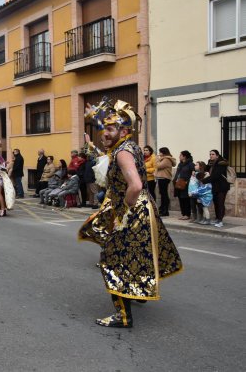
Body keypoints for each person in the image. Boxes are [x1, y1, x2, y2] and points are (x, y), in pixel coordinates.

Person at [79, 99, 182, 328]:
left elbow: (134, 186)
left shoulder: (122, 153)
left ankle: (123, 316)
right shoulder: (130, 145)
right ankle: (135, 293)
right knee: (134, 258)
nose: (103, 133)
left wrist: (123, 215)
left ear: (124, 131)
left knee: (112, 259)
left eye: (109, 129)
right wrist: (97, 119)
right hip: (144, 208)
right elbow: (109, 144)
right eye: (103, 128)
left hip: (133, 211)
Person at [202, 149, 230, 228]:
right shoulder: (211, 163)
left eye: (213, 154)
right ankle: (217, 218)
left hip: (222, 186)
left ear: (217, 155)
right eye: (210, 154)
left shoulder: (221, 163)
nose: (211, 156)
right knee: (216, 203)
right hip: (214, 186)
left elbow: (216, 175)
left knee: (220, 203)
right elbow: (205, 170)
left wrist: (203, 181)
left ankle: (220, 220)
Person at [173, 150, 194, 220]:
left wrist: (187, 182)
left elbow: (193, 174)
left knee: (186, 199)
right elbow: (178, 173)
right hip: (178, 184)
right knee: (180, 199)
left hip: (186, 185)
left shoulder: (190, 164)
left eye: (180, 155)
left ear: (184, 156)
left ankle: (187, 214)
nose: (179, 157)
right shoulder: (180, 164)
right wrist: (175, 180)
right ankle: (183, 213)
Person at [155, 147, 175, 216]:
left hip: (164, 178)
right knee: (163, 194)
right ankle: (163, 209)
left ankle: (165, 210)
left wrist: (157, 160)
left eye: (160, 152)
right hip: (162, 178)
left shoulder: (166, 159)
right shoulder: (164, 159)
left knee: (164, 194)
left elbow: (158, 166)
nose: (159, 154)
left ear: (163, 153)